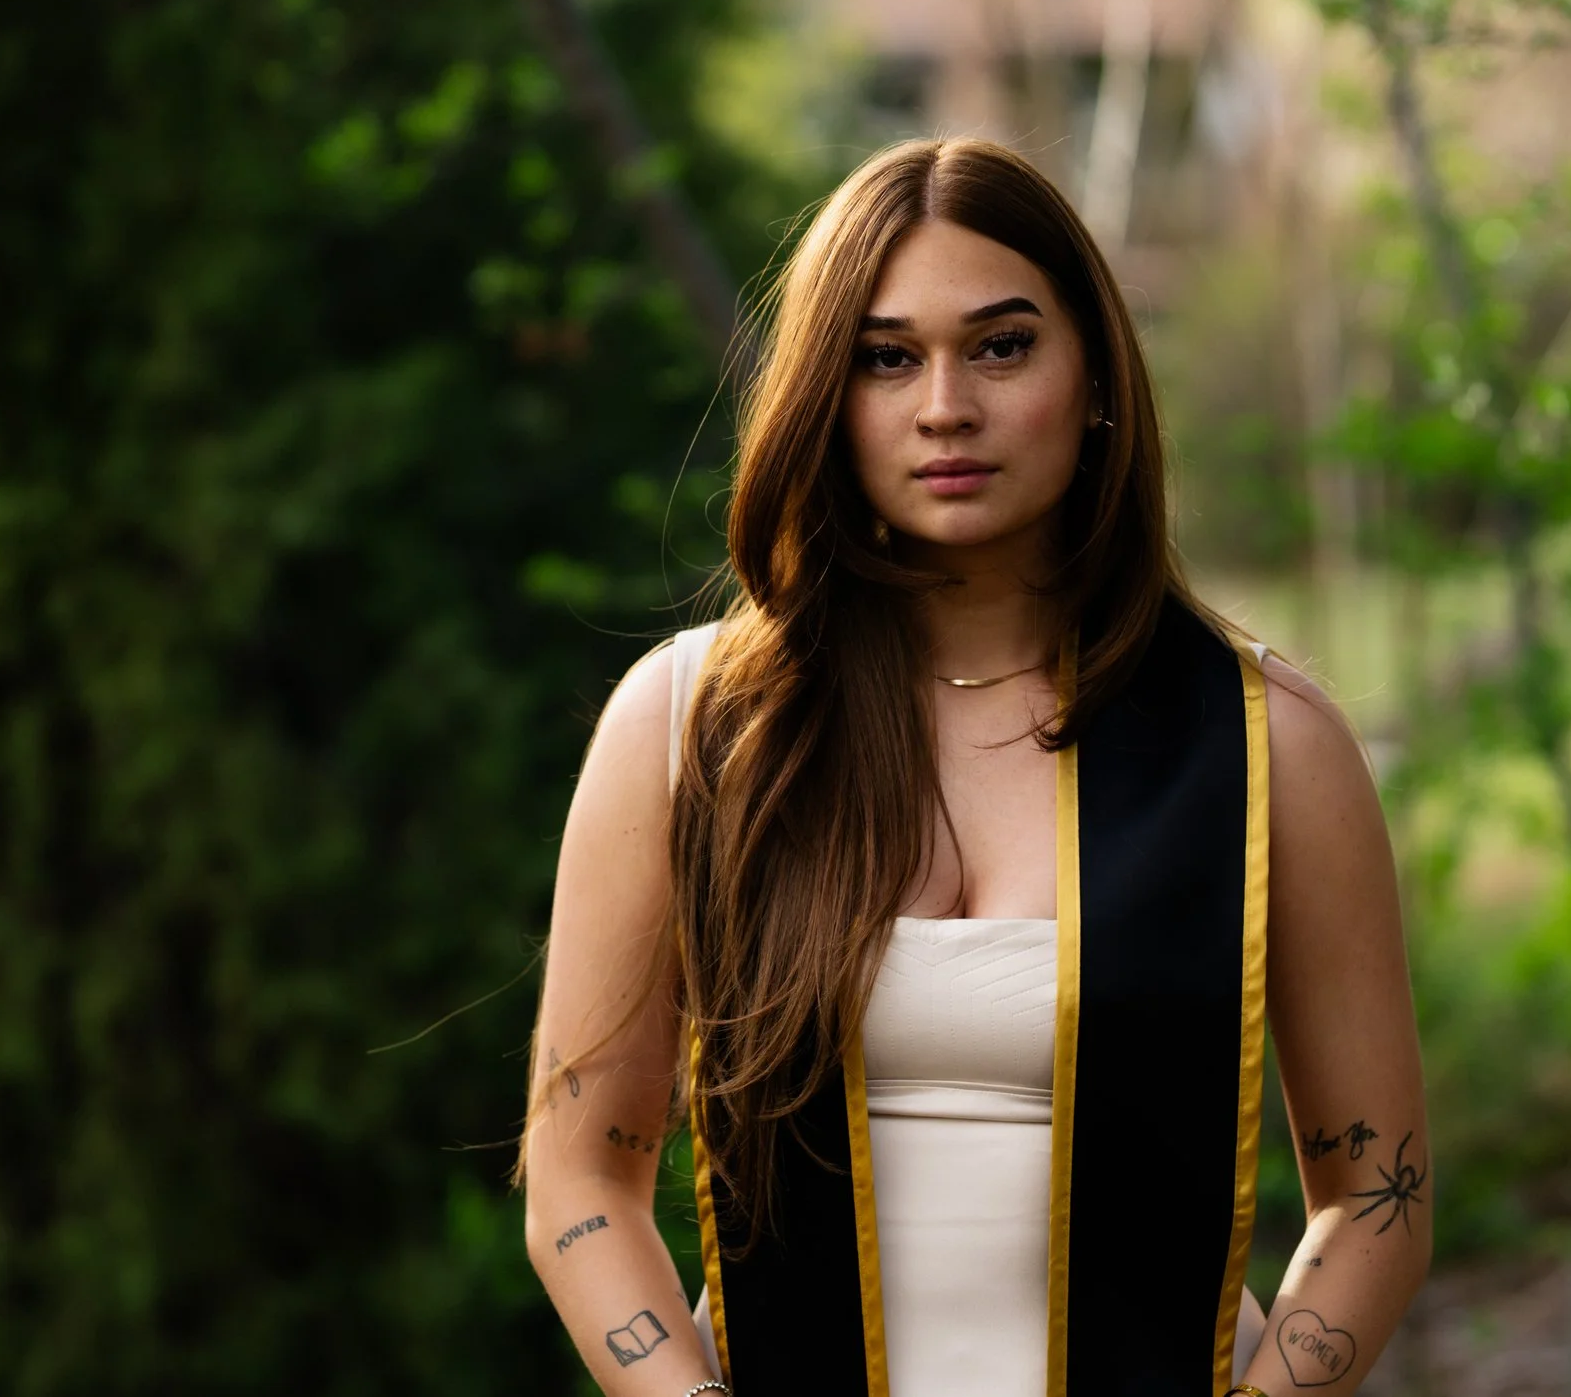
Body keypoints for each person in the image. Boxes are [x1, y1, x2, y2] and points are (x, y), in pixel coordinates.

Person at [518, 137, 1429, 1397]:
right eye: (886, 358)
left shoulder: (1268, 741)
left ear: (1097, 374)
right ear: (824, 398)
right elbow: (580, 1177)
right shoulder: (689, 727)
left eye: (1001, 345)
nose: (945, 403)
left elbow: (1378, 1199)